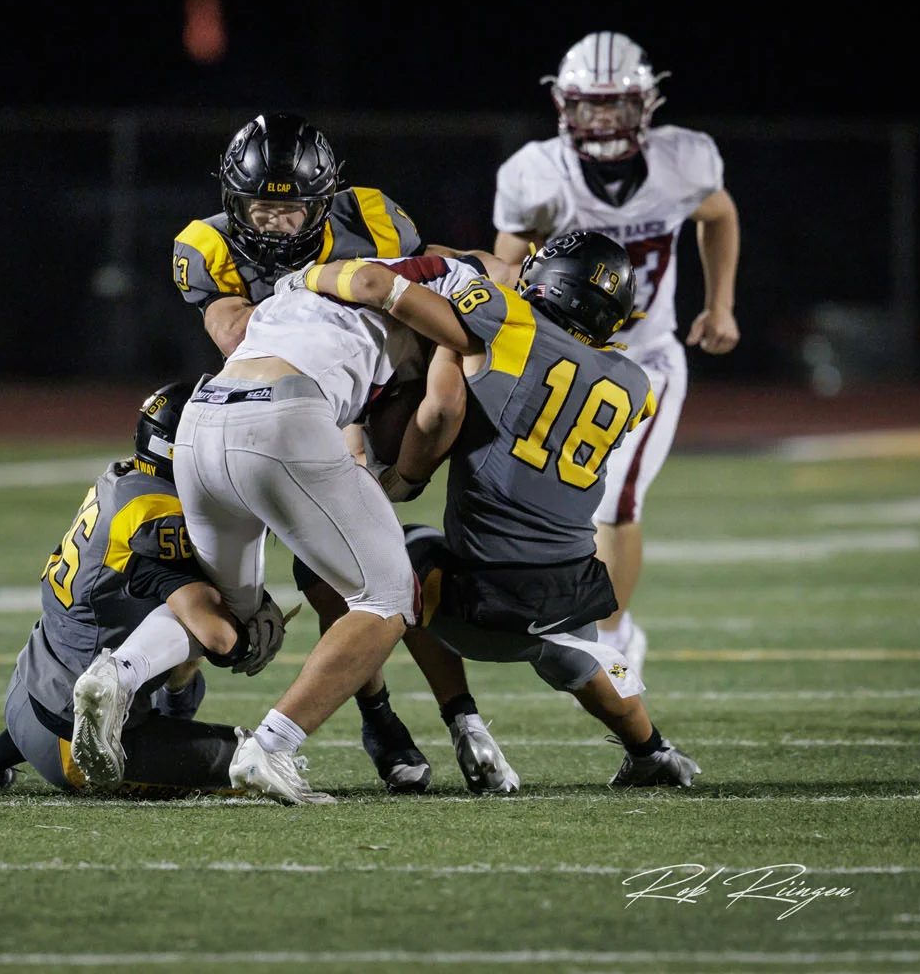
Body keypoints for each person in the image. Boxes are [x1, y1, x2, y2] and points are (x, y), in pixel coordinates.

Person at [253, 232, 701, 803]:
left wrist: (304, 279)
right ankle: (652, 751)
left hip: (483, 603)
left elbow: (379, 292)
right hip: (570, 589)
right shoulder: (636, 384)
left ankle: (457, 723)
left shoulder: (506, 319)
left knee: (382, 562)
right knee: (571, 650)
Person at [170, 110, 473, 793]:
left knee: (275, 600)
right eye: (259, 210)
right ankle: (354, 718)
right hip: (282, 394)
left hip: (313, 398)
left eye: (292, 212)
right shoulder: (203, 245)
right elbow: (235, 334)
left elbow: (414, 289)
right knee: (377, 586)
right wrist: (331, 283)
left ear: (325, 200)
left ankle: (130, 681)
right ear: (231, 200)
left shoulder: (373, 216)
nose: (275, 225)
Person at [491, 31, 742, 677]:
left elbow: (719, 214)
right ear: (562, 105)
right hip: (567, 360)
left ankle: (614, 639)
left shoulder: (684, 161)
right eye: (589, 105)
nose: (602, 120)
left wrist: (720, 305)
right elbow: (505, 268)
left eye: (617, 105)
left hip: (646, 357)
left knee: (615, 500)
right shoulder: (537, 174)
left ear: (646, 104)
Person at [0, 383, 291, 797]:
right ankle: (155, 740)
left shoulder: (123, 477)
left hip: (27, 695)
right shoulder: (159, 517)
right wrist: (247, 637)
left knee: (177, 654)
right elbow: (218, 638)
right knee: (258, 763)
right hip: (75, 741)